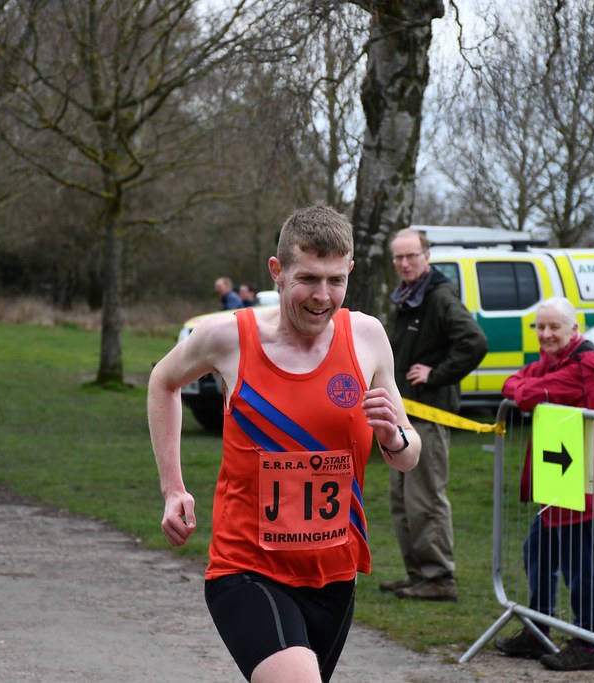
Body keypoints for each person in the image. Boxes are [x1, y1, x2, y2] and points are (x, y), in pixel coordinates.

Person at [148, 204, 421, 683]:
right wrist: (173, 487)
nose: (322, 296)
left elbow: (407, 454)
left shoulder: (368, 337)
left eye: (336, 280)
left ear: (351, 271)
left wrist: (393, 436)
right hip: (248, 568)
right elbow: (163, 381)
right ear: (277, 272)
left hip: (335, 572)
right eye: (308, 279)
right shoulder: (227, 337)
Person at [493, 297, 594, 672]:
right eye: (541, 327)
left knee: (580, 564)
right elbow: (513, 382)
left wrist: (525, 387)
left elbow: (526, 392)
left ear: (574, 331)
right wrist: (524, 385)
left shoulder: (585, 368)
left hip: (582, 483)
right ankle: (539, 629)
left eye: (555, 327)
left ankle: (586, 643)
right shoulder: (555, 362)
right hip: (558, 479)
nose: (546, 334)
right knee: (539, 551)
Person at [380, 228, 488, 602]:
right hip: (404, 412)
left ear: (427, 256)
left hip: (430, 414)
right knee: (402, 500)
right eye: (399, 258)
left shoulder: (439, 295)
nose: (405, 264)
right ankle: (417, 575)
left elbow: (474, 342)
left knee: (425, 498)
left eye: (412, 256)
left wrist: (436, 375)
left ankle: (440, 577)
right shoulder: (409, 296)